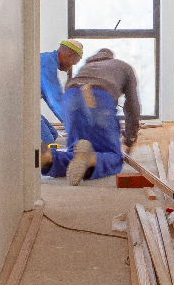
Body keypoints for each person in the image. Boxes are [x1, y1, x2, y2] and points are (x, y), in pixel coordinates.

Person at [40, 48, 140, 185]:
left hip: (70, 96)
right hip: (99, 95)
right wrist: (130, 136)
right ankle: (91, 159)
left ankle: (50, 159)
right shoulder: (123, 67)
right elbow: (132, 105)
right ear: (111, 57)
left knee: (75, 151)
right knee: (113, 156)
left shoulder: (87, 66)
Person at [40, 39, 84, 145]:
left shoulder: (47, 59)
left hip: (23, 107)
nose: (69, 67)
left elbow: (50, 97)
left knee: (53, 134)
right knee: (47, 140)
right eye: (72, 63)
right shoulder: (46, 63)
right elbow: (54, 99)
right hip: (16, 107)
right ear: (69, 55)